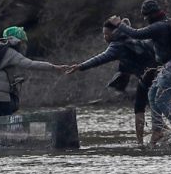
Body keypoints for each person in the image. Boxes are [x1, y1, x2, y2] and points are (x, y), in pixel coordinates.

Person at [66, 17, 158, 145]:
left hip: (147, 76)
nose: (105, 37)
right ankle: (166, 129)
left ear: (114, 33)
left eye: (106, 34)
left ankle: (141, 142)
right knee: (157, 101)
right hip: (159, 70)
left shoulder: (116, 45)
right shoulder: (132, 35)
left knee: (139, 107)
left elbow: (100, 59)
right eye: (103, 34)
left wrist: (80, 66)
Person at [108, 0, 171, 145]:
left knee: (160, 100)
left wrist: (120, 24)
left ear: (150, 15)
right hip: (170, 66)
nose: (145, 20)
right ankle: (158, 131)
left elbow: (137, 34)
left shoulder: (158, 26)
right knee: (152, 95)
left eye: (145, 17)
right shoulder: (166, 22)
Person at [0, 26, 67, 117]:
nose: (23, 45)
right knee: (7, 119)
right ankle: (10, 131)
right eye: (21, 42)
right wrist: (54, 67)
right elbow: (30, 64)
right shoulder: (10, 53)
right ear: (15, 41)